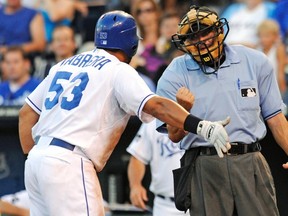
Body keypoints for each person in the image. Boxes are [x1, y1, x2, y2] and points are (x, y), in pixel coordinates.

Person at [18, 10, 231, 216]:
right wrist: (202, 126)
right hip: (69, 162)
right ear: (131, 44)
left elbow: (26, 114)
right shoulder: (118, 69)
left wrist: (34, 158)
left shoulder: (64, 63)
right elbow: (156, 106)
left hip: (37, 160)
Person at [156, 5, 288, 216]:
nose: (201, 40)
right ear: (184, 44)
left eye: (205, 31)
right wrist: (183, 109)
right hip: (205, 163)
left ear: (219, 30)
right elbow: (173, 135)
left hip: (250, 158)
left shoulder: (255, 61)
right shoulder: (175, 72)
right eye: (192, 36)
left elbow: (276, 118)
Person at [127, 87, 193, 216]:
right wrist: (135, 185)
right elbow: (137, 157)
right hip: (164, 205)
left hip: (197, 202)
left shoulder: (203, 118)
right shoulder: (153, 122)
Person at [257, 19, 286, 96]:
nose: (263, 39)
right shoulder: (257, 49)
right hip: (260, 87)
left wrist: (282, 89)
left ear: (275, 36)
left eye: (267, 36)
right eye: (261, 36)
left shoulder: (278, 49)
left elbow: (280, 71)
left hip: (275, 87)